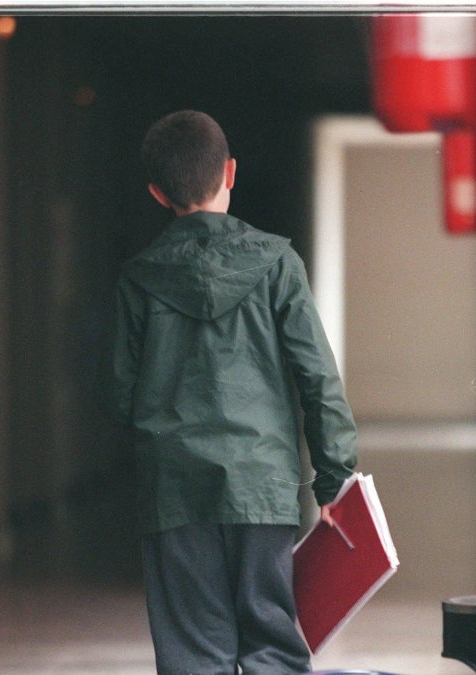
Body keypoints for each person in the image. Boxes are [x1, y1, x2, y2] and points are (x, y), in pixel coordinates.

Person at [110, 110, 358, 674]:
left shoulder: (138, 278)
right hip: (262, 487)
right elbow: (317, 377)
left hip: (175, 493)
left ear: (156, 193)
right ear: (231, 172)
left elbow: (121, 396)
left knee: (194, 653)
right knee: (272, 643)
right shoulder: (277, 265)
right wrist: (334, 479)